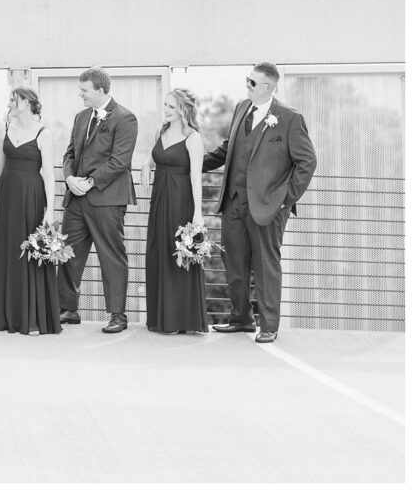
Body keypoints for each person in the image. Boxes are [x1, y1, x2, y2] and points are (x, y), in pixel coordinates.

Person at [202, 62, 316, 344]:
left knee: (266, 266)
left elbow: (307, 161)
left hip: (269, 206)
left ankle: (269, 326)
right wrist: (196, 163)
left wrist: (286, 200)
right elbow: (232, 147)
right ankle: (241, 319)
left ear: (268, 87)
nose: (247, 85)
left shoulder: (289, 119)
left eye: (252, 82)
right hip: (234, 202)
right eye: (247, 80)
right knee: (234, 263)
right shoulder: (242, 108)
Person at [58, 66, 138, 333]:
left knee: (111, 257)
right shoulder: (81, 117)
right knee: (68, 254)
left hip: (107, 199)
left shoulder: (126, 118)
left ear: (101, 90)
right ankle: (68, 309)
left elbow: (120, 161)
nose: (80, 95)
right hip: (76, 199)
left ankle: (118, 315)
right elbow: (69, 154)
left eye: (84, 90)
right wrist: (70, 179)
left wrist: (90, 182)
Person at [0, 87, 60, 336]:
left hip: (31, 198)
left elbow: (49, 174)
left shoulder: (43, 133)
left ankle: (32, 318)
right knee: (7, 251)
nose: (9, 104)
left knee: (29, 253)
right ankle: (4, 315)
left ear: (26, 102)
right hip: (6, 198)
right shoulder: (5, 128)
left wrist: (50, 209)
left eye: (13, 100)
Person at [140, 88, 208, 334]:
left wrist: (198, 214)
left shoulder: (193, 138)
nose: (165, 109)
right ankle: (162, 318)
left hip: (181, 202)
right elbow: (156, 154)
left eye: (170, 106)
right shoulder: (163, 131)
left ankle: (182, 320)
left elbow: (196, 178)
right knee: (159, 253)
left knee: (178, 256)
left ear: (182, 109)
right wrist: (146, 164)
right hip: (159, 201)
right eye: (165, 105)